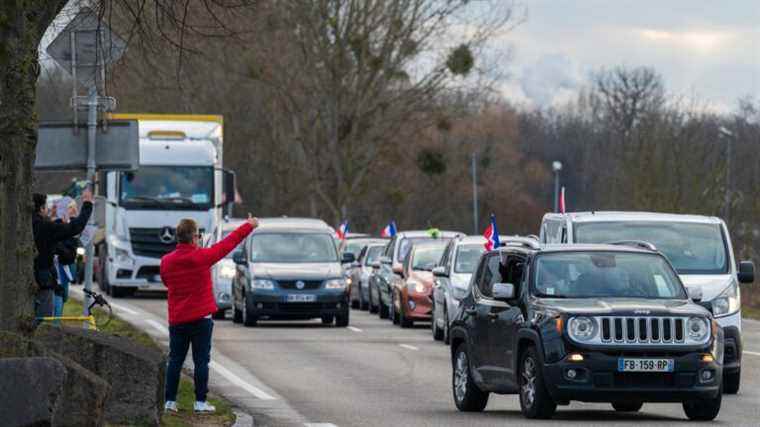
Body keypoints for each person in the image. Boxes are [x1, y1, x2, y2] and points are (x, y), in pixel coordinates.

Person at [160, 214, 258, 414]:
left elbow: (167, 282)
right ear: (194, 237)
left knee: (175, 360)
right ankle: (200, 402)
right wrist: (249, 225)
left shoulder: (166, 261)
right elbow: (228, 243)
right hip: (201, 318)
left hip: (177, 318)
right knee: (201, 361)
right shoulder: (203, 257)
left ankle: (169, 401)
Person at [32, 189, 93, 322]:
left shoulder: (20, 224)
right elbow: (75, 228)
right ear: (42, 208)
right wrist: (87, 204)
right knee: (44, 318)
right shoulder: (45, 227)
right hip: (43, 279)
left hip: (27, 277)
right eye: (47, 207)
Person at [52, 200, 82, 319]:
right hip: (58, 264)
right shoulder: (57, 224)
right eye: (70, 208)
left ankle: (56, 320)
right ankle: (56, 323)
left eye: (73, 209)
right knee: (59, 293)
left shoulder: (72, 226)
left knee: (63, 294)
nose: (72, 211)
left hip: (66, 262)